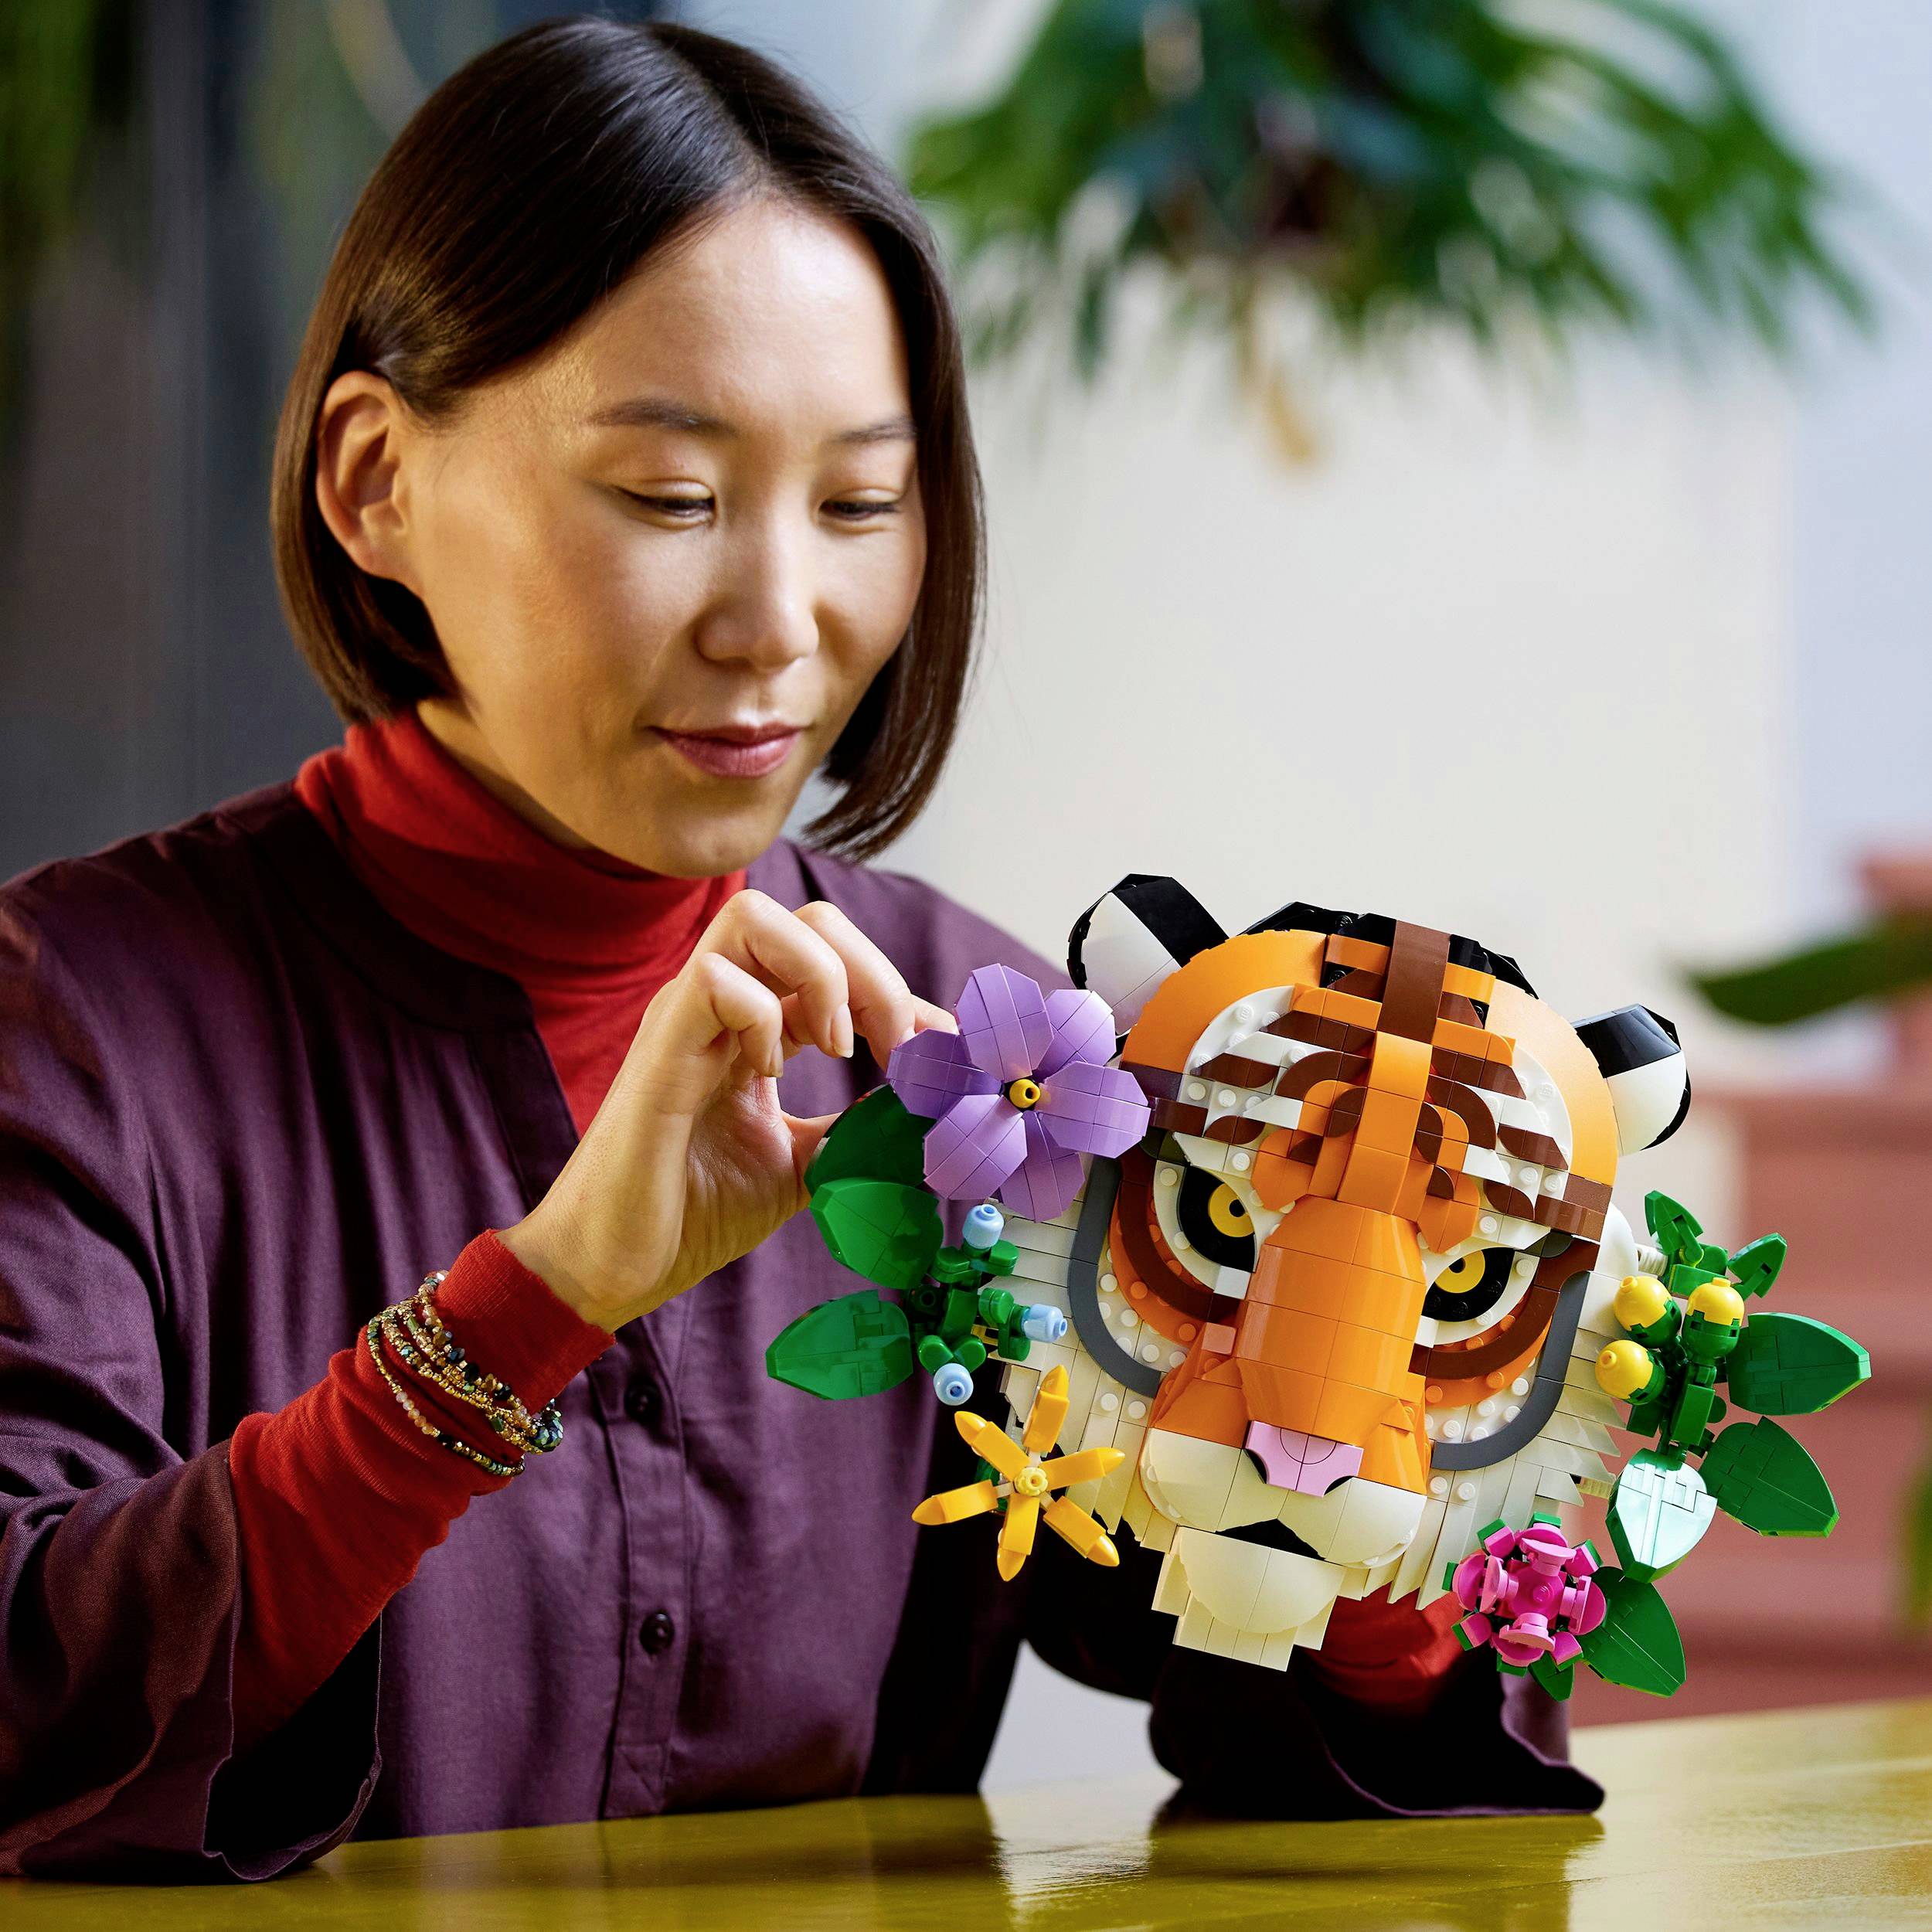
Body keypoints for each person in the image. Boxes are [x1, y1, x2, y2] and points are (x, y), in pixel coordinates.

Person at [0, 17, 1598, 1883]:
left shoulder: (989, 1065)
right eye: (669, 498)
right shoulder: (79, 1024)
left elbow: (1313, 1737)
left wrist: (1379, 1465)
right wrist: (535, 1297)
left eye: (857, 502)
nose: (778, 617)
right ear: (374, 484)